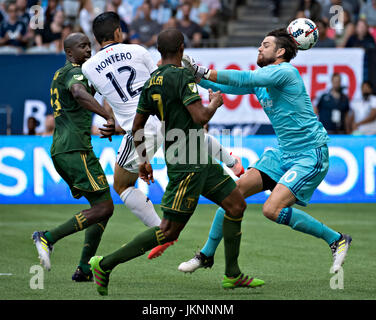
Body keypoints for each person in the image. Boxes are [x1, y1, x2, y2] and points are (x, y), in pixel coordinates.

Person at [88, 28, 264, 296]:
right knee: (168, 231)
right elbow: (200, 117)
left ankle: (232, 274)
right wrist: (215, 102)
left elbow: (137, 125)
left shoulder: (151, 82)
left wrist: (144, 161)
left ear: (159, 51)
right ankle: (105, 264)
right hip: (186, 163)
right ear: (181, 48)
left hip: (198, 159)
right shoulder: (182, 76)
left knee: (236, 205)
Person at [179, 28, 352, 274]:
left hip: (309, 154)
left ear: (280, 52)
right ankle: (206, 255)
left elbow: (244, 79)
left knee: (271, 210)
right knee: (232, 195)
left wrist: (203, 71)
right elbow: (228, 84)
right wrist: (194, 76)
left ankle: (336, 239)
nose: (260, 48)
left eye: (265, 45)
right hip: (282, 153)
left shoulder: (286, 72)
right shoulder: (263, 80)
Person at [32, 33, 116, 283]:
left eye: (89, 45)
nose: (88, 50)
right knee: (104, 207)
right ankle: (47, 237)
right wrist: (106, 116)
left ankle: (84, 270)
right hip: (74, 148)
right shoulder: (74, 71)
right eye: (82, 47)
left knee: (102, 209)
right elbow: (79, 93)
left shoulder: (61, 73)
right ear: (69, 53)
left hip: (67, 147)